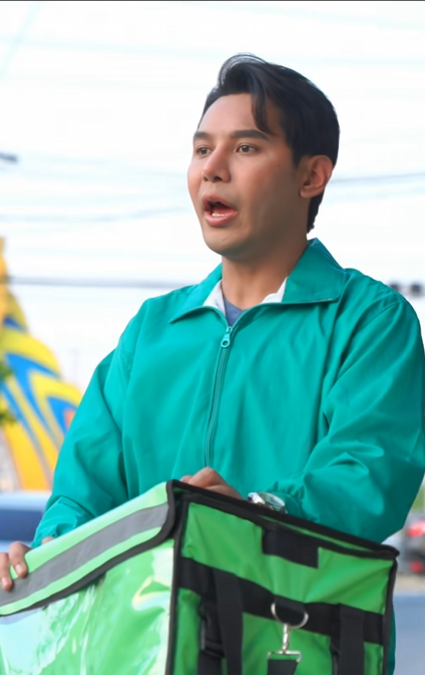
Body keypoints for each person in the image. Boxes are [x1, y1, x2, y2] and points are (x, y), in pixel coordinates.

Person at [1, 54, 424, 673]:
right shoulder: (152, 331)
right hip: (141, 653)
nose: (212, 169)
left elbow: (368, 474)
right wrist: (42, 561)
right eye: (202, 149)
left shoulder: (369, 320)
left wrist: (252, 516)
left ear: (312, 175)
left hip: (299, 647)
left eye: (245, 148)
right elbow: (82, 497)